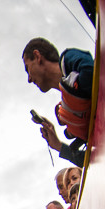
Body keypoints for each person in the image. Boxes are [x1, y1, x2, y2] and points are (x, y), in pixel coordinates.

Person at [23, 37, 94, 168]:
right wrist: (58, 145)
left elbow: (91, 72)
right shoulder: (70, 103)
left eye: (27, 69)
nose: (29, 79)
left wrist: (76, 111)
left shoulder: (69, 59)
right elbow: (93, 161)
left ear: (37, 56)